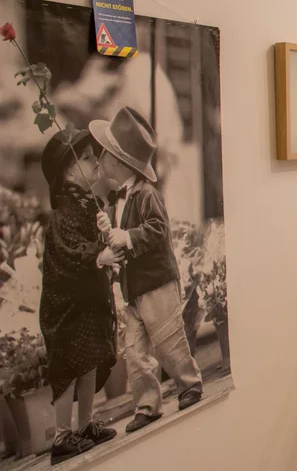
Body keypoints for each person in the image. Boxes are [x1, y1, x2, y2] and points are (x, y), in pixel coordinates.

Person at [91, 107, 203, 434]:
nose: (101, 158)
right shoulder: (118, 200)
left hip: (156, 282)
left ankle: (189, 383)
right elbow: (120, 238)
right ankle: (146, 404)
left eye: (105, 153)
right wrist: (109, 232)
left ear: (118, 161)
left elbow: (158, 228)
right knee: (134, 351)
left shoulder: (146, 194)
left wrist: (127, 236)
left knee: (168, 339)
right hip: (134, 287)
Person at [39, 128, 120, 465]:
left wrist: (105, 233)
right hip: (67, 309)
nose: (95, 162)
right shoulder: (63, 215)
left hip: (87, 305)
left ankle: (85, 424)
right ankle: (61, 437)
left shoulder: (88, 207)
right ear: (69, 173)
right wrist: (98, 255)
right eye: (86, 159)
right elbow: (70, 250)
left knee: (89, 362)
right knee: (69, 368)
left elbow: (95, 243)